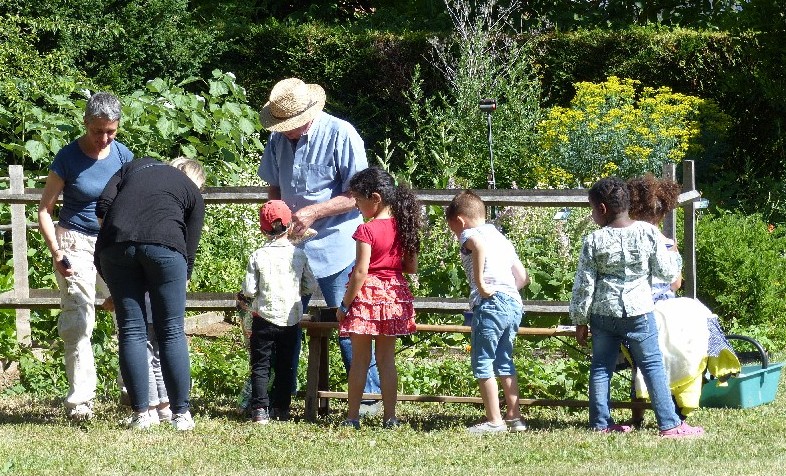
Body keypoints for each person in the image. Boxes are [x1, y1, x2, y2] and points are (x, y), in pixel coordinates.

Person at [257, 77, 381, 412]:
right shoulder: (277, 139)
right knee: (281, 320)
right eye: (280, 125)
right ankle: (279, 398)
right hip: (290, 247)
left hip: (337, 245)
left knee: (350, 320)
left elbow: (359, 195)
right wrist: (275, 216)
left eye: (289, 125)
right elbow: (274, 186)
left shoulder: (342, 133)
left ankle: (368, 398)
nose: (284, 131)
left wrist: (315, 211)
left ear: (307, 115)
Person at [569, 176, 704, 438]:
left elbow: (584, 285)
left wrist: (580, 320)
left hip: (603, 314)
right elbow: (667, 273)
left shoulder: (593, 240)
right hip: (639, 312)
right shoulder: (648, 232)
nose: (593, 214)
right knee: (652, 366)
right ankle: (669, 424)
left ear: (602, 209)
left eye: (592, 209)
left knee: (601, 367)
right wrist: (674, 256)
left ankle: (600, 423)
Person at [37, 91, 134, 421]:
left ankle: (133, 389)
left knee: (128, 313)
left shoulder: (123, 155)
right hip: (74, 242)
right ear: (85, 123)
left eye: (111, 131)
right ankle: (80, 400)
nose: (104, 139)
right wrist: (57, 252)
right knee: (79, 320)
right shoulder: (67, 157)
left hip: (112, 243)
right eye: (97, 131)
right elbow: (44, 210)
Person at [95, 156, 206, 430]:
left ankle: (141, 415)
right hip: (166, 247)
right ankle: (181, 415)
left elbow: (102, 206)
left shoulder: (133, 167)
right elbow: (189, 247)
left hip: (114, 247)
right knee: (171, 330)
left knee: (131, 330)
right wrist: (182, 276)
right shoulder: (191, 191)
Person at [626, 174, 740, 425]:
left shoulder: (627, 241)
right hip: (667, 307)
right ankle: (682, 405)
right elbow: (676, 283)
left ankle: (637, 416)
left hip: (640, 306)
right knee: (697, 324)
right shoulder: (667, 244)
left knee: (641, 360)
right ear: (661, 215)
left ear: (632, 211)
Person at [336, 167, 422, 429]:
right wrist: (390, 264)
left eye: (358, 201)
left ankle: (352, 417)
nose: (357, 207)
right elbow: (412, 267)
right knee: (387, 360)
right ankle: (390, 417)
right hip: (394, 296)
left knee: (360, 361)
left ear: (375, 198)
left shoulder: (367, 230)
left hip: (367, 297)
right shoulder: (404, 226)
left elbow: (361, 272)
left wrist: (344, 305)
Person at [445, 190, 530, 434]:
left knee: (483, 361)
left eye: (453, 230)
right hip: (513, 303)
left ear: (460, 221)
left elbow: (478, 245)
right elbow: (523, 277)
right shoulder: (502, 238)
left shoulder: (470, 234)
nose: (456, 235)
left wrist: (482, 285)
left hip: (490, 303)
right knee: (504, 360)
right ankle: (514, 417)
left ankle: (494, 421)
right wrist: (505, 290)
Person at [240, 200, 317, 424]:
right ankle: (282, 408)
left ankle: (259, 409)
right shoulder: (299, 255)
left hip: (264, 318)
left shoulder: (258, 255)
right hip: (290, 319)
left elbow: (249, 289)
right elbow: (310, 286)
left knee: (261, 364)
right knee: (285, 364)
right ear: (289, 225)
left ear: (263, 230)